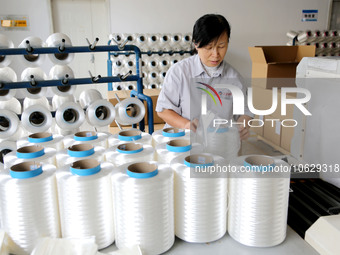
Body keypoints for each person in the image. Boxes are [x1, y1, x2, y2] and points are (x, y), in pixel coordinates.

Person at [156, 14, 253, 140]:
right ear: (196, 44)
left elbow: (245, 112)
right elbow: (163, 110)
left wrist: (243, 125)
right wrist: (186, 125)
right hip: (182, 143)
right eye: (209, 47)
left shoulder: (235, 78)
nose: (216, 54)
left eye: (221, 46)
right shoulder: (179, 72)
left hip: (218, 145)